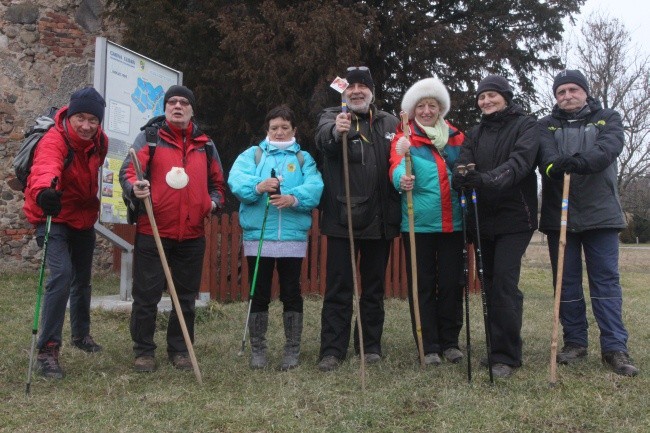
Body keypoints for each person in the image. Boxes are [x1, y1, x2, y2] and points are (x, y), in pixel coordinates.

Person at [539, 69, 638, 377]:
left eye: (572, 90)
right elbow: (545, 158)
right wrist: (556, 166)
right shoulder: (546, 125)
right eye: (560, 92)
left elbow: (609, 148)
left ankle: (614, 347)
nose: (567, 96)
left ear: (584, 91)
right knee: (566, 283)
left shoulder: (607, 117)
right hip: (561, 218)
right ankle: (575, 342)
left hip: (601, 215)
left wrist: (580, 162)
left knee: (606, 282)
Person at [119, 85, 225, 373]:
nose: (177, 106)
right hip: (152, 232)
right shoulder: (150, 138)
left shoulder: (205, 145)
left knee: (185, 298)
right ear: (165, 108)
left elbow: (218, 185)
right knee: (146, 297)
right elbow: (129, 172)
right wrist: (134, 187)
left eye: (183, 102)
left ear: (192, 109)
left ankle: (180, 350)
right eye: (172, 102)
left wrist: (212, 204)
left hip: (192, 235)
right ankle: (144, 352)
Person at [452, 75, 539, 378]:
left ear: (505, 96)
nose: (486, 101)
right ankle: (499, 345)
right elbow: (463, 162)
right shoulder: (475, 133)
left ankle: (506, 356)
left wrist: (486, 179)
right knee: (489, 283)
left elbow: (520, 164)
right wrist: (460, 177)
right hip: (482, 219)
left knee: (503, 281)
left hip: (516, 217)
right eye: (481, 97)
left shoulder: (526, 125)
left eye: (492, 96)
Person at [315, 66, 401, 371]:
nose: (356, 91)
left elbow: (401, 158)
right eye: (351, 87)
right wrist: (337, 130)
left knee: (374, 288)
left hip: (382, 219)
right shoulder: (332, 116)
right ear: (343, 91)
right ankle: (332, 349)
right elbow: (323, 138)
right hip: (343, 218)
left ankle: (370, 345)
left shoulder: (390, 122)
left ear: (372, 91)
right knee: (339, 287)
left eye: (363, 86)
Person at [228, 105, 323, 371]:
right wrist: (258, 186)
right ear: (267, 130)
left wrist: (292, 198)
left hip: (292, 237)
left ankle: (292, 349)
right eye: (274, 128)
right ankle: (258, 349)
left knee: (292, 293)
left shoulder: (304, 159)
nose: (279, 132)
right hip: (259, 235)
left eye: (284, 127)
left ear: (294, 130)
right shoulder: (253, 155)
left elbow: (315, 187)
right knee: (259, 293)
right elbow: (236, 180)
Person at [23, 87, 109, 378]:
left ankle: (81, 335)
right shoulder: (54, 139)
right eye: (80, 118)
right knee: (61, 275)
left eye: (93, 120)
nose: (86, 126)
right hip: (52, 212)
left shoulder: (100, 142)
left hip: (83, 216)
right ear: (70, 116)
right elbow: (45, 167)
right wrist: (46, 190)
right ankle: (48, 349)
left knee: (82, 278)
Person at [389, 77, 466, 366]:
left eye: (432, 105)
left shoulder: (457, 137)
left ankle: (450, 342)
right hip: (419, 223)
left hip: (453, 223)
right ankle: (428, 344)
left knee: (450, 284)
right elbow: (395, 167)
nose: (426, 111)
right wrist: (402, 179)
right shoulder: (404, 139)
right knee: (422, 284)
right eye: (420, 106)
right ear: (413, 109)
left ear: (440, 109)